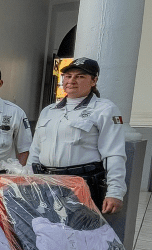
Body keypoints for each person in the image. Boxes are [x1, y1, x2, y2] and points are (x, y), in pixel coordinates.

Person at [29, 57, 126, 214]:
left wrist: (115, 191)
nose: (71, 80)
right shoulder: (49, 111)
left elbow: (114, 153)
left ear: (94, 81)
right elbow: (35, 150)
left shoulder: (105, 109)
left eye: (80, 76)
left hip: (81, 185)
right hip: (46, 184)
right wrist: (27, 181)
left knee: (79, 235)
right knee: (45, 232)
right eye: (68, 76)